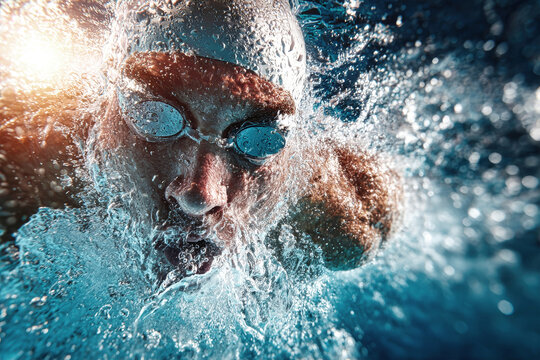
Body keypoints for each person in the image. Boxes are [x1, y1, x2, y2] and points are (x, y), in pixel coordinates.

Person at [0, 0, 400, 273]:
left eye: (257, 141)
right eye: (154, 119)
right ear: (109, 111)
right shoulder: (30, 162)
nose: (197, 196)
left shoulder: (329, 217)